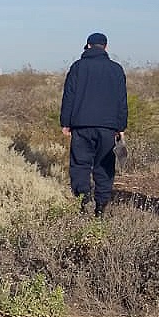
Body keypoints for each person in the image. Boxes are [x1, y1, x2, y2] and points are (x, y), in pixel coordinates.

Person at [59, 32, 128, 216]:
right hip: (108, 127)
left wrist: (66, 123)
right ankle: (101, 205)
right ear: (105, 47)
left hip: (81, 126)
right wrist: (121, 126)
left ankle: (83, 199)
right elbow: (122, 101)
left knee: (80, 164)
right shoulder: (116, 69)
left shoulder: (77, 67)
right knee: (104, 165)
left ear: (88, 46)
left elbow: (69, 97)